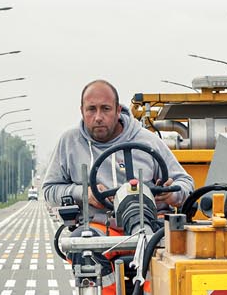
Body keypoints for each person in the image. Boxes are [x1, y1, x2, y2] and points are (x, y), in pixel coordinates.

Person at [39, 79, 193, 225]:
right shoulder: (69, 142)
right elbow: (49, 191)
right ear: (82, 111)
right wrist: (84, 193)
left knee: (172, 248)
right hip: (95, 228)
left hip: (149, 224)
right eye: (91, 109)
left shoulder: (148, 141)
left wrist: (171, 195)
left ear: (118, 110)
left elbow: (186, 183)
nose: (98, 117)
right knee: (79, 250)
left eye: (106, 109)